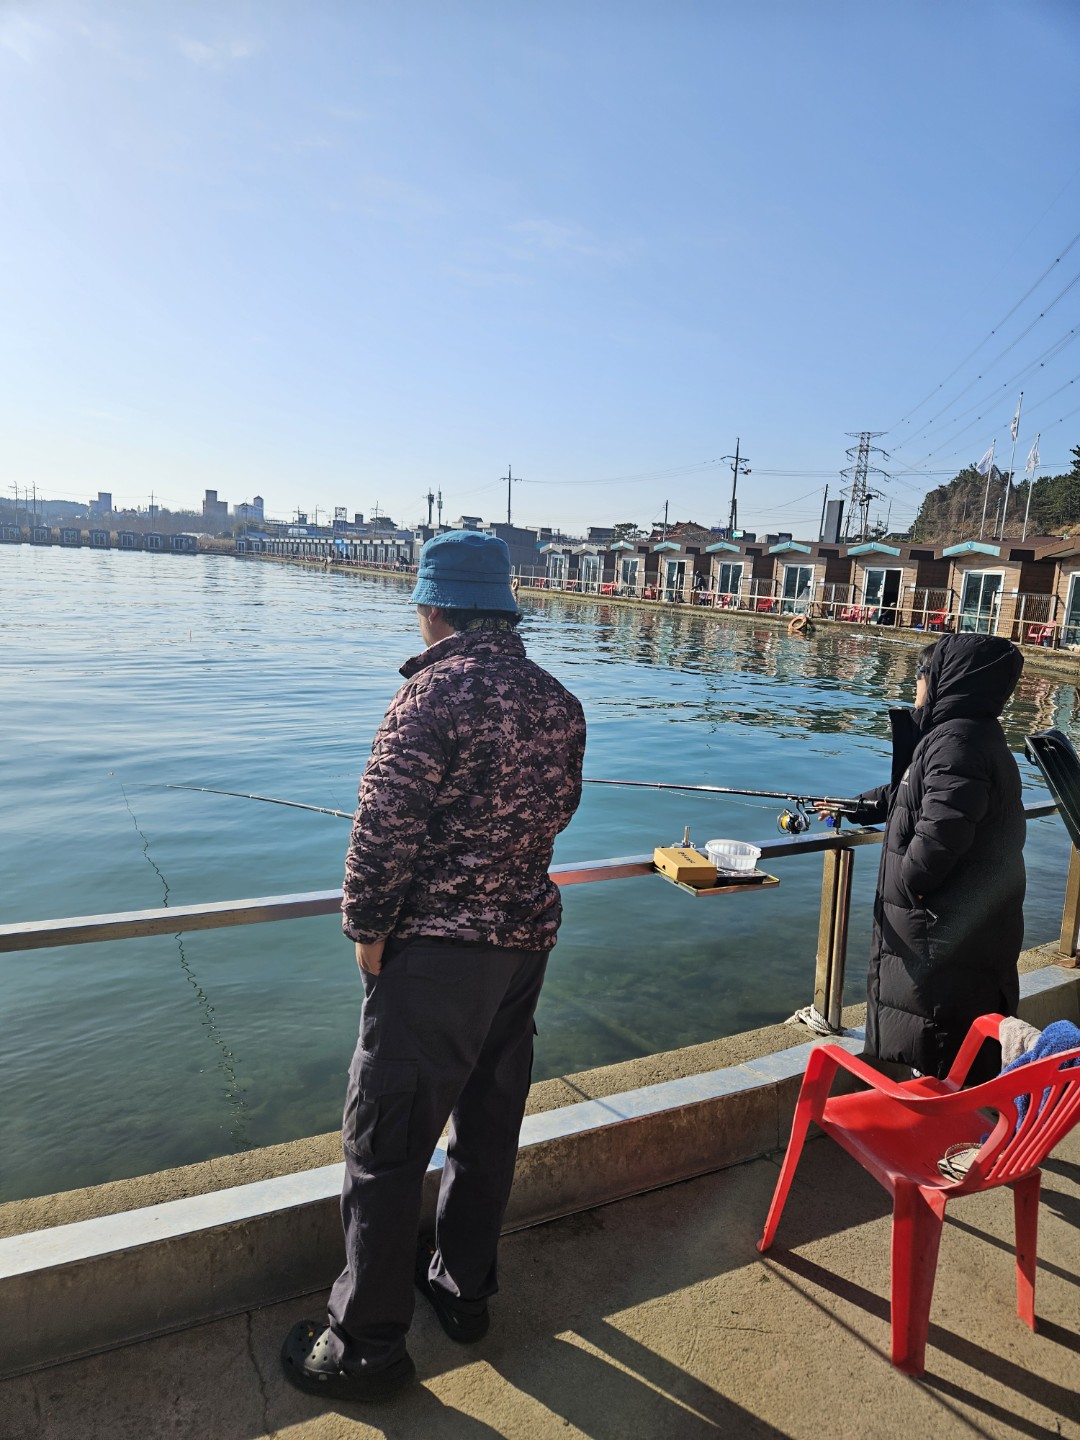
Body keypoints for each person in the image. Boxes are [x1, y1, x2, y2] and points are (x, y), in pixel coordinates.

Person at [281, 530, 586, 1402]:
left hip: (435, 959)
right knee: (487, 1127)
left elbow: (382, 831)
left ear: (431, 608)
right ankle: (463, 1291)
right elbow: (557, 812)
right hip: (522, 949)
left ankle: (368, 1340)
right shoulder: (559, 701)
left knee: (385, 1146)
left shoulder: (431, 696)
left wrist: (367, 933)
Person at [818, 632, 1025, 1081]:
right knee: (945, 1035)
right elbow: (913, 792)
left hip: (936, 929)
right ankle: (947, 1129)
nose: (915, 684)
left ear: (946, 679)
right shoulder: (970, 734)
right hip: (952, 926)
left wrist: (907, 884)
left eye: (921, 674)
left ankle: (943, 1138)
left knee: (936, 1042)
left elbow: (941, 832)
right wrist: (855, 806)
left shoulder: (956, 743)